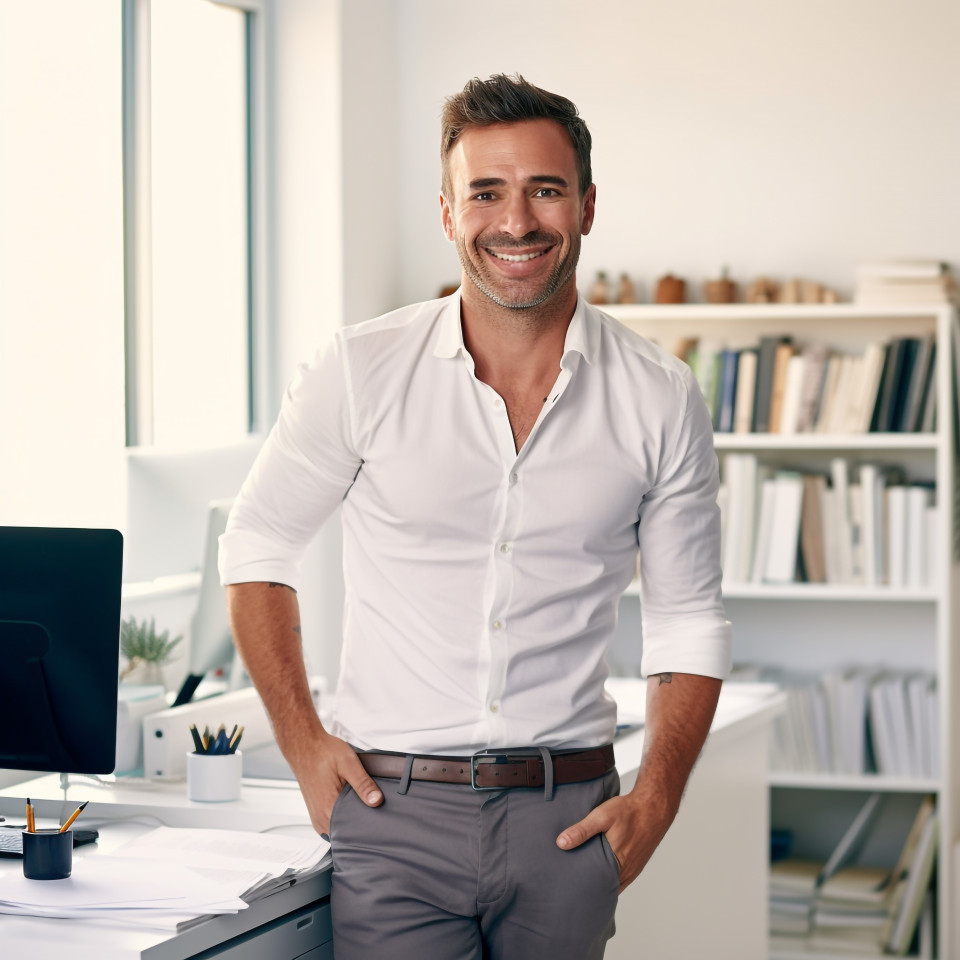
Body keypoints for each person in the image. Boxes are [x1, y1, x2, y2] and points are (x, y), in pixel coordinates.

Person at [219, 73, 731, 960]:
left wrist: (654, 803)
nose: (518, 221)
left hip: (568, 822)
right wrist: (302, 744)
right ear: (449, 212)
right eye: (487, 192)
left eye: (546, 189)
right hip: (393, 817)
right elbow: (257, 545)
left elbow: (688, 622)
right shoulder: (362, 370)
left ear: (588, 205)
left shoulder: (659, 397)